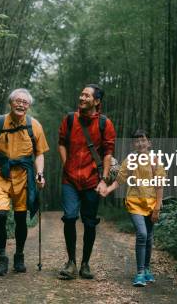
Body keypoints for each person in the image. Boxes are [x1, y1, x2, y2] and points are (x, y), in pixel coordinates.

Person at [0, 88, 49, 276]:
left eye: (25, 102)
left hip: (23, 177)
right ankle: (2, 257)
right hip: (0, 176)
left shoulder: (34, 125)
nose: (21, 104)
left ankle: (19, 255)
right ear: (10, 103)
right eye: (17, 101)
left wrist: (40, 173)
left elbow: (39, 154)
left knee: (20, 219)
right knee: (0, 215)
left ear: (29, 106)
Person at [57, 84, 116, 280]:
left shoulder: (104, 123)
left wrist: (104, 180)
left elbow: (108, 153)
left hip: (92, 179)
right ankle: (71, 262)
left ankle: (85, 263)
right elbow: (62, 143)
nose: (82, 98)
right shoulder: (70, 119)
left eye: (87, 96)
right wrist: (67, 165)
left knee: (90, 222)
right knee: (70, 217)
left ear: (97, 101)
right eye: (81, 94)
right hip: (70, 179)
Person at [101, 129, 165, 287]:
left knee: (149, 237)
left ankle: (147, 269)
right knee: (142, 234)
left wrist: (157, 207)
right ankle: (140, 272)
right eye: (137, 141)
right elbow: (119, 179)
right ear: (133, 144)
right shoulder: (130, 160)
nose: (140, 143)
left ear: (149, 143)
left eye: (143, 140)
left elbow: (159, 185)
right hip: (134, 202)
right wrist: (108, 189)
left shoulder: (156, 160)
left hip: (151, 204)